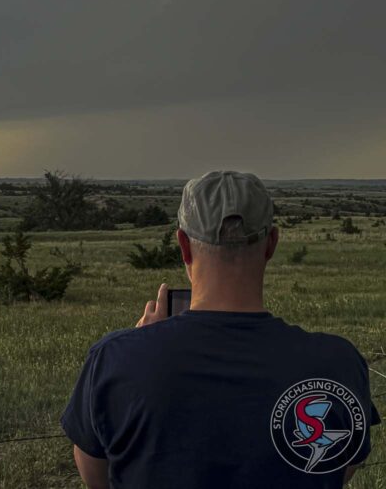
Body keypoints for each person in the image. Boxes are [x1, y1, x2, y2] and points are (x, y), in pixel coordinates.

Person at [62, 170, 380, 488]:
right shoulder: (338, 363)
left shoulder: (115, 359)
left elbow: (97, 476)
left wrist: (139, 345)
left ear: (183, 246)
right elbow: (338, 468)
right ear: (271, 243)